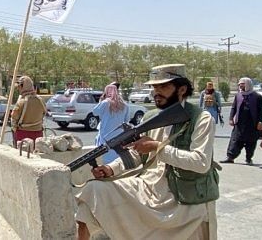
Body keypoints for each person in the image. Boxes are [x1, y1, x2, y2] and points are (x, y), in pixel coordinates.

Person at [75, 64, 218, 240]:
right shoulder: (151, 117)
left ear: (182, 89)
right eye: (154, 87)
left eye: (163, 87)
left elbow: (201, 163)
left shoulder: (201, 119)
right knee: (92, 191)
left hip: (182, 195)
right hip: (149, 187)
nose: (156, 92)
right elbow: (137, 154)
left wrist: (157, 147)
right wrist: (111, 169)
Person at [220, 77, 262, 165]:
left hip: (252, 123)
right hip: (239, 123)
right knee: (235, 140)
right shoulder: (238, 95)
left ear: (248, 84)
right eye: (239, 84)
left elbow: (261, 110)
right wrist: (231, 118)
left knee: (251, 141)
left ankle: (248, 158)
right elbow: (234, 107)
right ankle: (230, 157)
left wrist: (260, 121)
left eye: (242, 84)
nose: (240, 86)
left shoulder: (257, 96)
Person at [92, 84, 130, 164]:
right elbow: (127, 120)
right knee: (116, 157)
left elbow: (95, 112)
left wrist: (101, 100)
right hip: (119, 135)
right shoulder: (125, 105)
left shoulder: (105, 103)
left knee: (105, 157)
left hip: (105, 135)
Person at [10, 76, 47, 142]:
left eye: (19, 87)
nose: (18, 89)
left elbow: (14, 118)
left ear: (22, 87)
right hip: (38, 133)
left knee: (22, 151)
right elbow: (44, 113)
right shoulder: (40, 100)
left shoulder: (22, 102)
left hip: (23, 134)